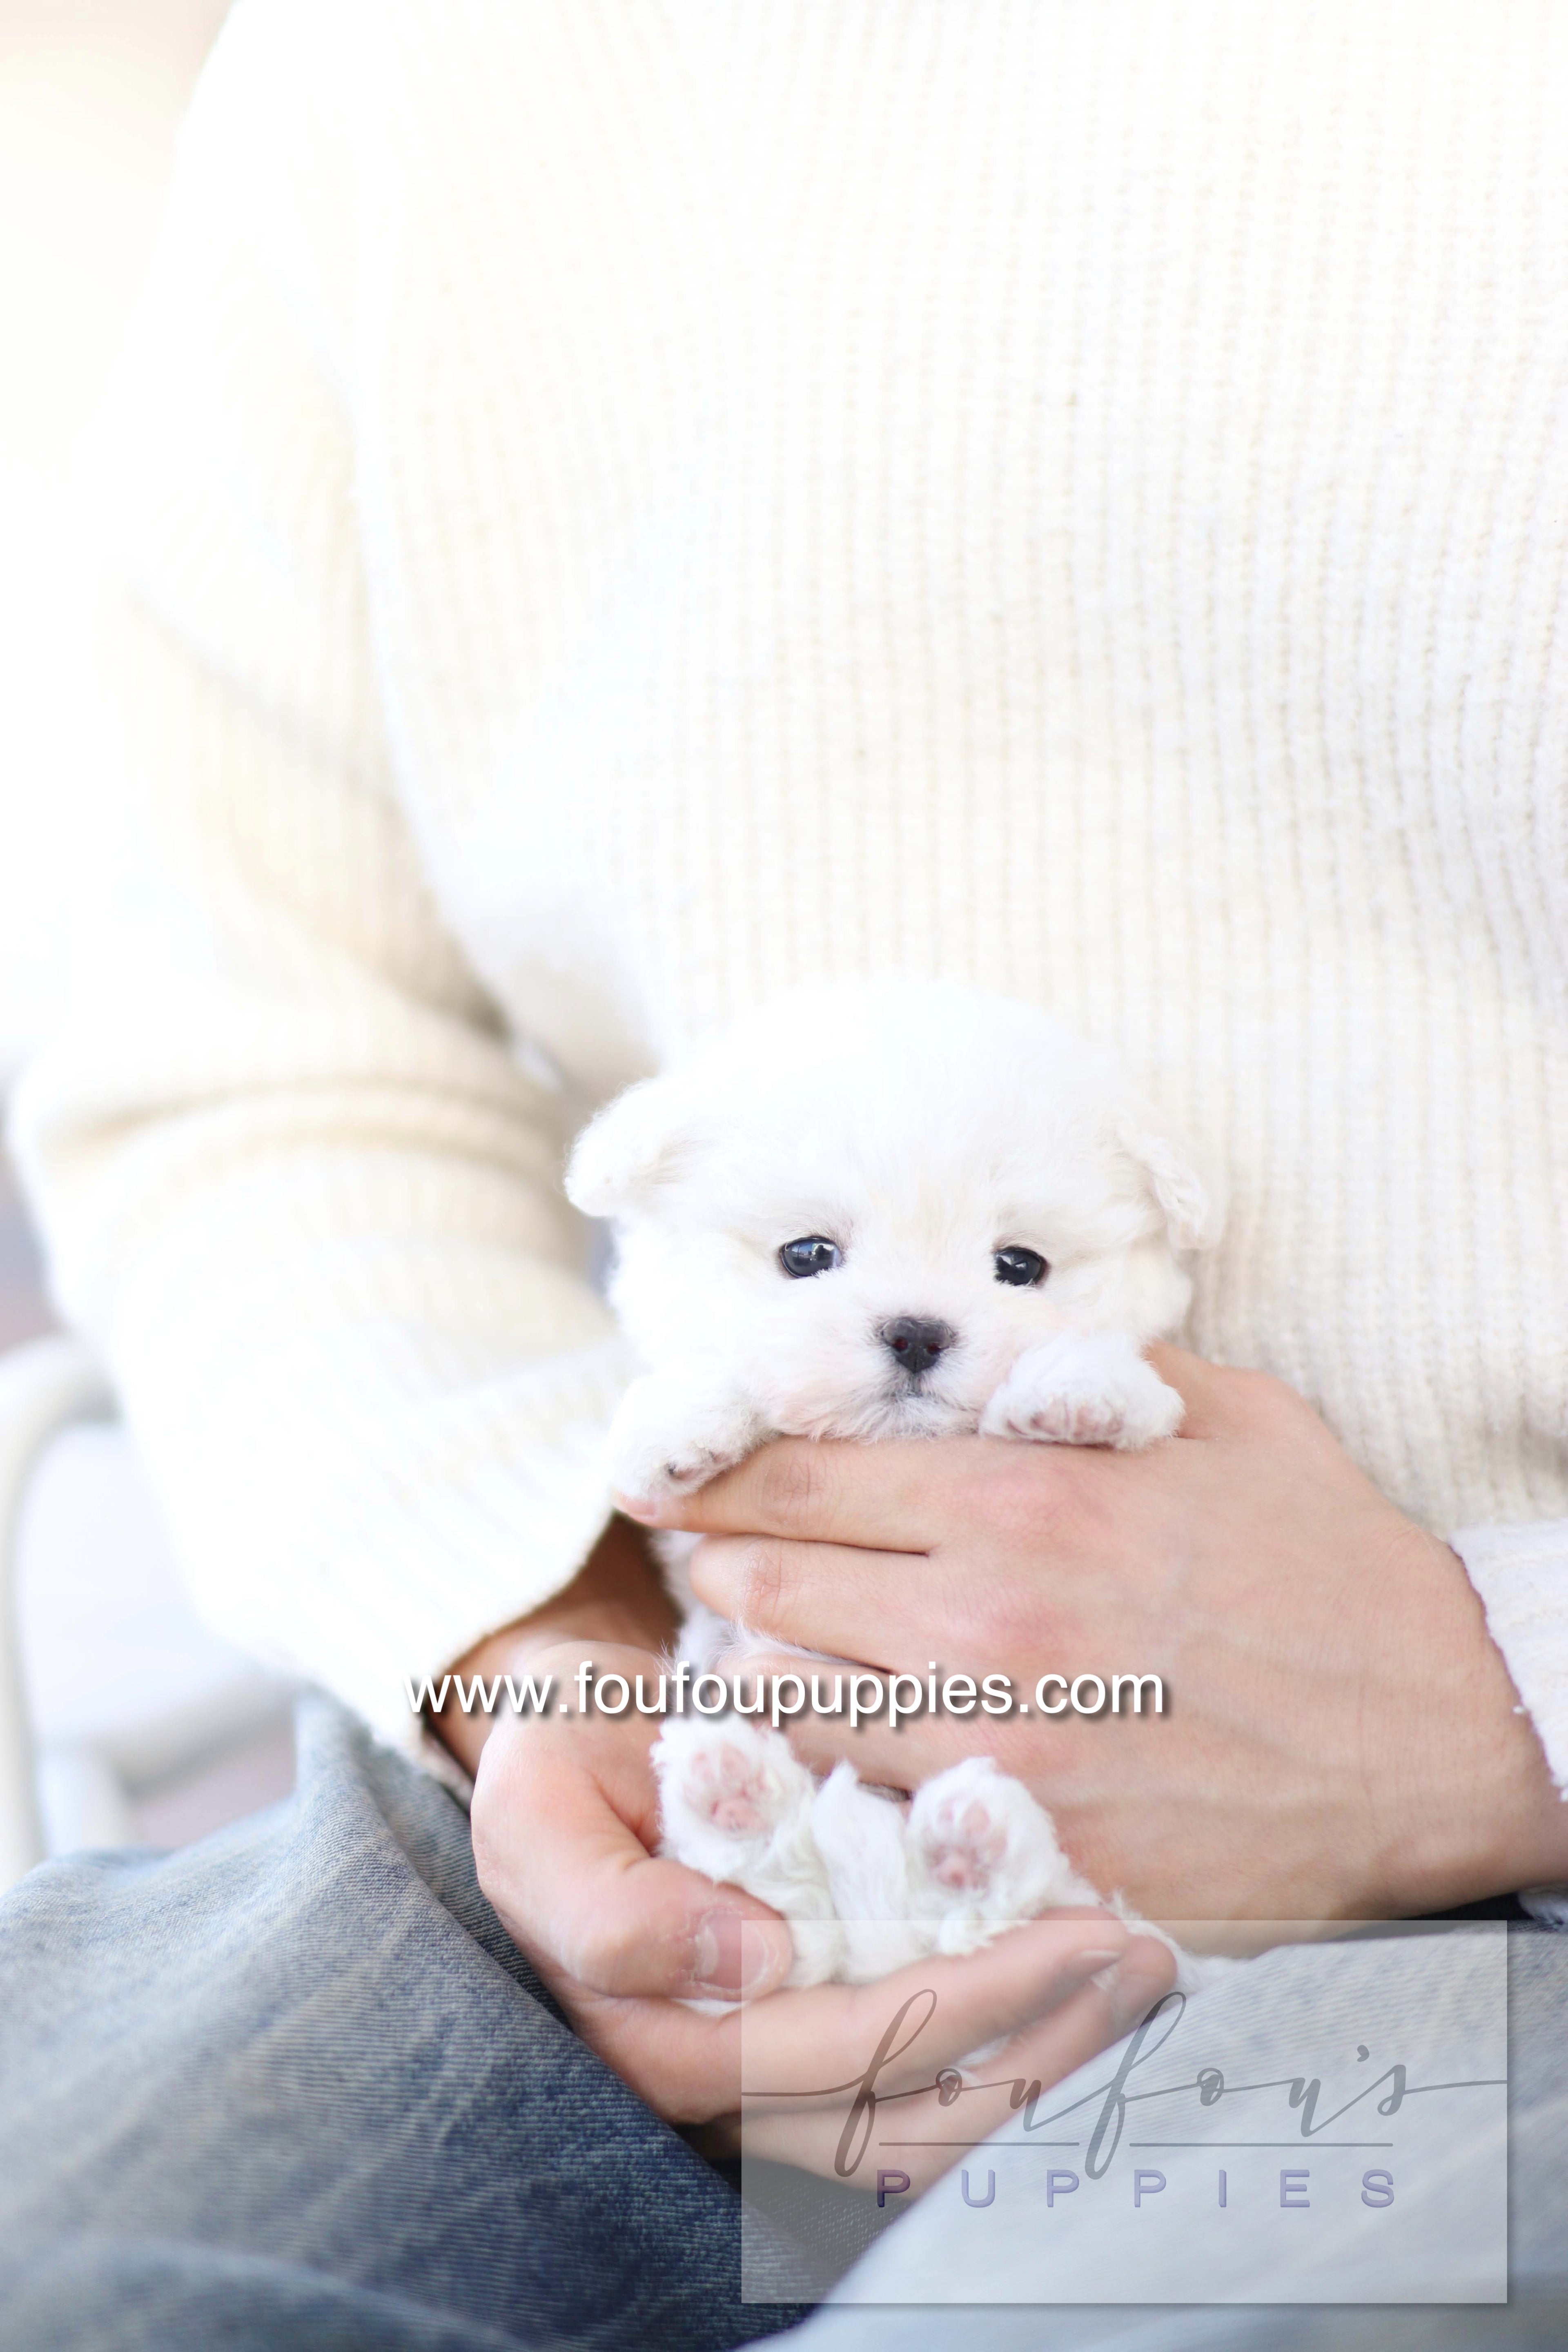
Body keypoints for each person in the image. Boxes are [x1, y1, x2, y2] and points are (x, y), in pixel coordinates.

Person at [4, 1, 1567, 2343]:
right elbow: (252, 1046)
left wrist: (1505, 1693)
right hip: (643, 1732)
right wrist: (545, 1645)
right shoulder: (392, 75)